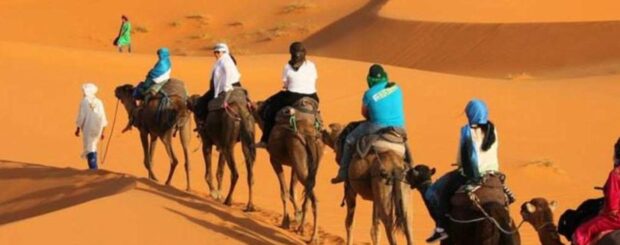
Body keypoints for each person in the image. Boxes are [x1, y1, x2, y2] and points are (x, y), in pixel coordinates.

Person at [422, 99, 515, 243]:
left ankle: (441, 228)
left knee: (435, 191)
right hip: (493, 176)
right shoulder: (493, 130)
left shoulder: (467, 131)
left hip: (472, 176)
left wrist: (460, 164)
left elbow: (462, 158)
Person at [330, 64, 405, 184]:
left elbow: (364, 113)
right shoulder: (396, 88)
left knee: (349, 140)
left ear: (370, 79)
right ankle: (411, 168)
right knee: (404, 143)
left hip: (376, 125)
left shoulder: (369, 94)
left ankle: (343, 173)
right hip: (399, 128)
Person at [256, 41, 319, 148]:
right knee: (316, 114)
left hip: (292, 97)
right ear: (304, 53)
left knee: (270, 110)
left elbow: (285, 85)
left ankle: (265, 140)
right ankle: (320, 136)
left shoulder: (287, 67)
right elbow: (314, 79)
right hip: (312, 96)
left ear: (291, 53)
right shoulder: (312, 65)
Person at [572, 138, 620, 245]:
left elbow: (613, 208)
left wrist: (603, 212)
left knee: (581, 233)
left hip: (616, 219)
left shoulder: (616, 174)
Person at [193, 43, 242, 124]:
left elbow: (228, 73)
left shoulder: (225, 61)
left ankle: (202, 122)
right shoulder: (226, 60)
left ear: (224, 52)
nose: (216, 54)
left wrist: (226, 87)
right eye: (215, 52)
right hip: (236, 85)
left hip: (226, 86)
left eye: (218, 52)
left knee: (202, 102)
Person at [75, 83, 108, 170]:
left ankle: (93, 169)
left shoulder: (84, 101)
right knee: (93, 146)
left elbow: (81, 116)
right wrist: (103, 131)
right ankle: (93, 168)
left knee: (90, 147)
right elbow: (103, 116)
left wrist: (78, 128)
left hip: (88, 127)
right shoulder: (99, 102)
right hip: (98, 128)